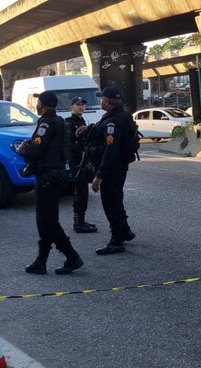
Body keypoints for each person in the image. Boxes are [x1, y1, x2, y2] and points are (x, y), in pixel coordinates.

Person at [18, 91, 84, 275]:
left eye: (38, 102)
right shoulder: (60, 121)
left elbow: (36, 150)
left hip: (48, 177)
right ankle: (41, 261)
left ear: (43, 104)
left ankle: (71, 256)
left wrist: (24, 149)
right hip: (57, 175)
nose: (37, 105)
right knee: (46, 221)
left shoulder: (46, 122)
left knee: (48, 221)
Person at [82, 86, 135, 255]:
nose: (100, 101)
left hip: (112, 169)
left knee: (111, 203)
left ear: (106, 101)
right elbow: (103, 131)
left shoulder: (113, 121)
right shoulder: (119, 116)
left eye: (102, 98)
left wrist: (99, 175)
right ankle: (124, 231)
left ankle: (116, 240)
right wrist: (89, 129)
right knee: (116, 200)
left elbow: (111, 150)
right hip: (118, 167)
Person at [64, 96, 97, 233]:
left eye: (82, 104)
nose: (81, 107)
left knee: (83, 191)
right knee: (80, 191)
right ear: (72, 107)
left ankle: (81, 220)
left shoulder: (82, 121)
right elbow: (69, 143)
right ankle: (78, 223)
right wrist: (82, 152)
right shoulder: (69, 122)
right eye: (78, 104)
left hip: (84, 160)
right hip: (77, 161)